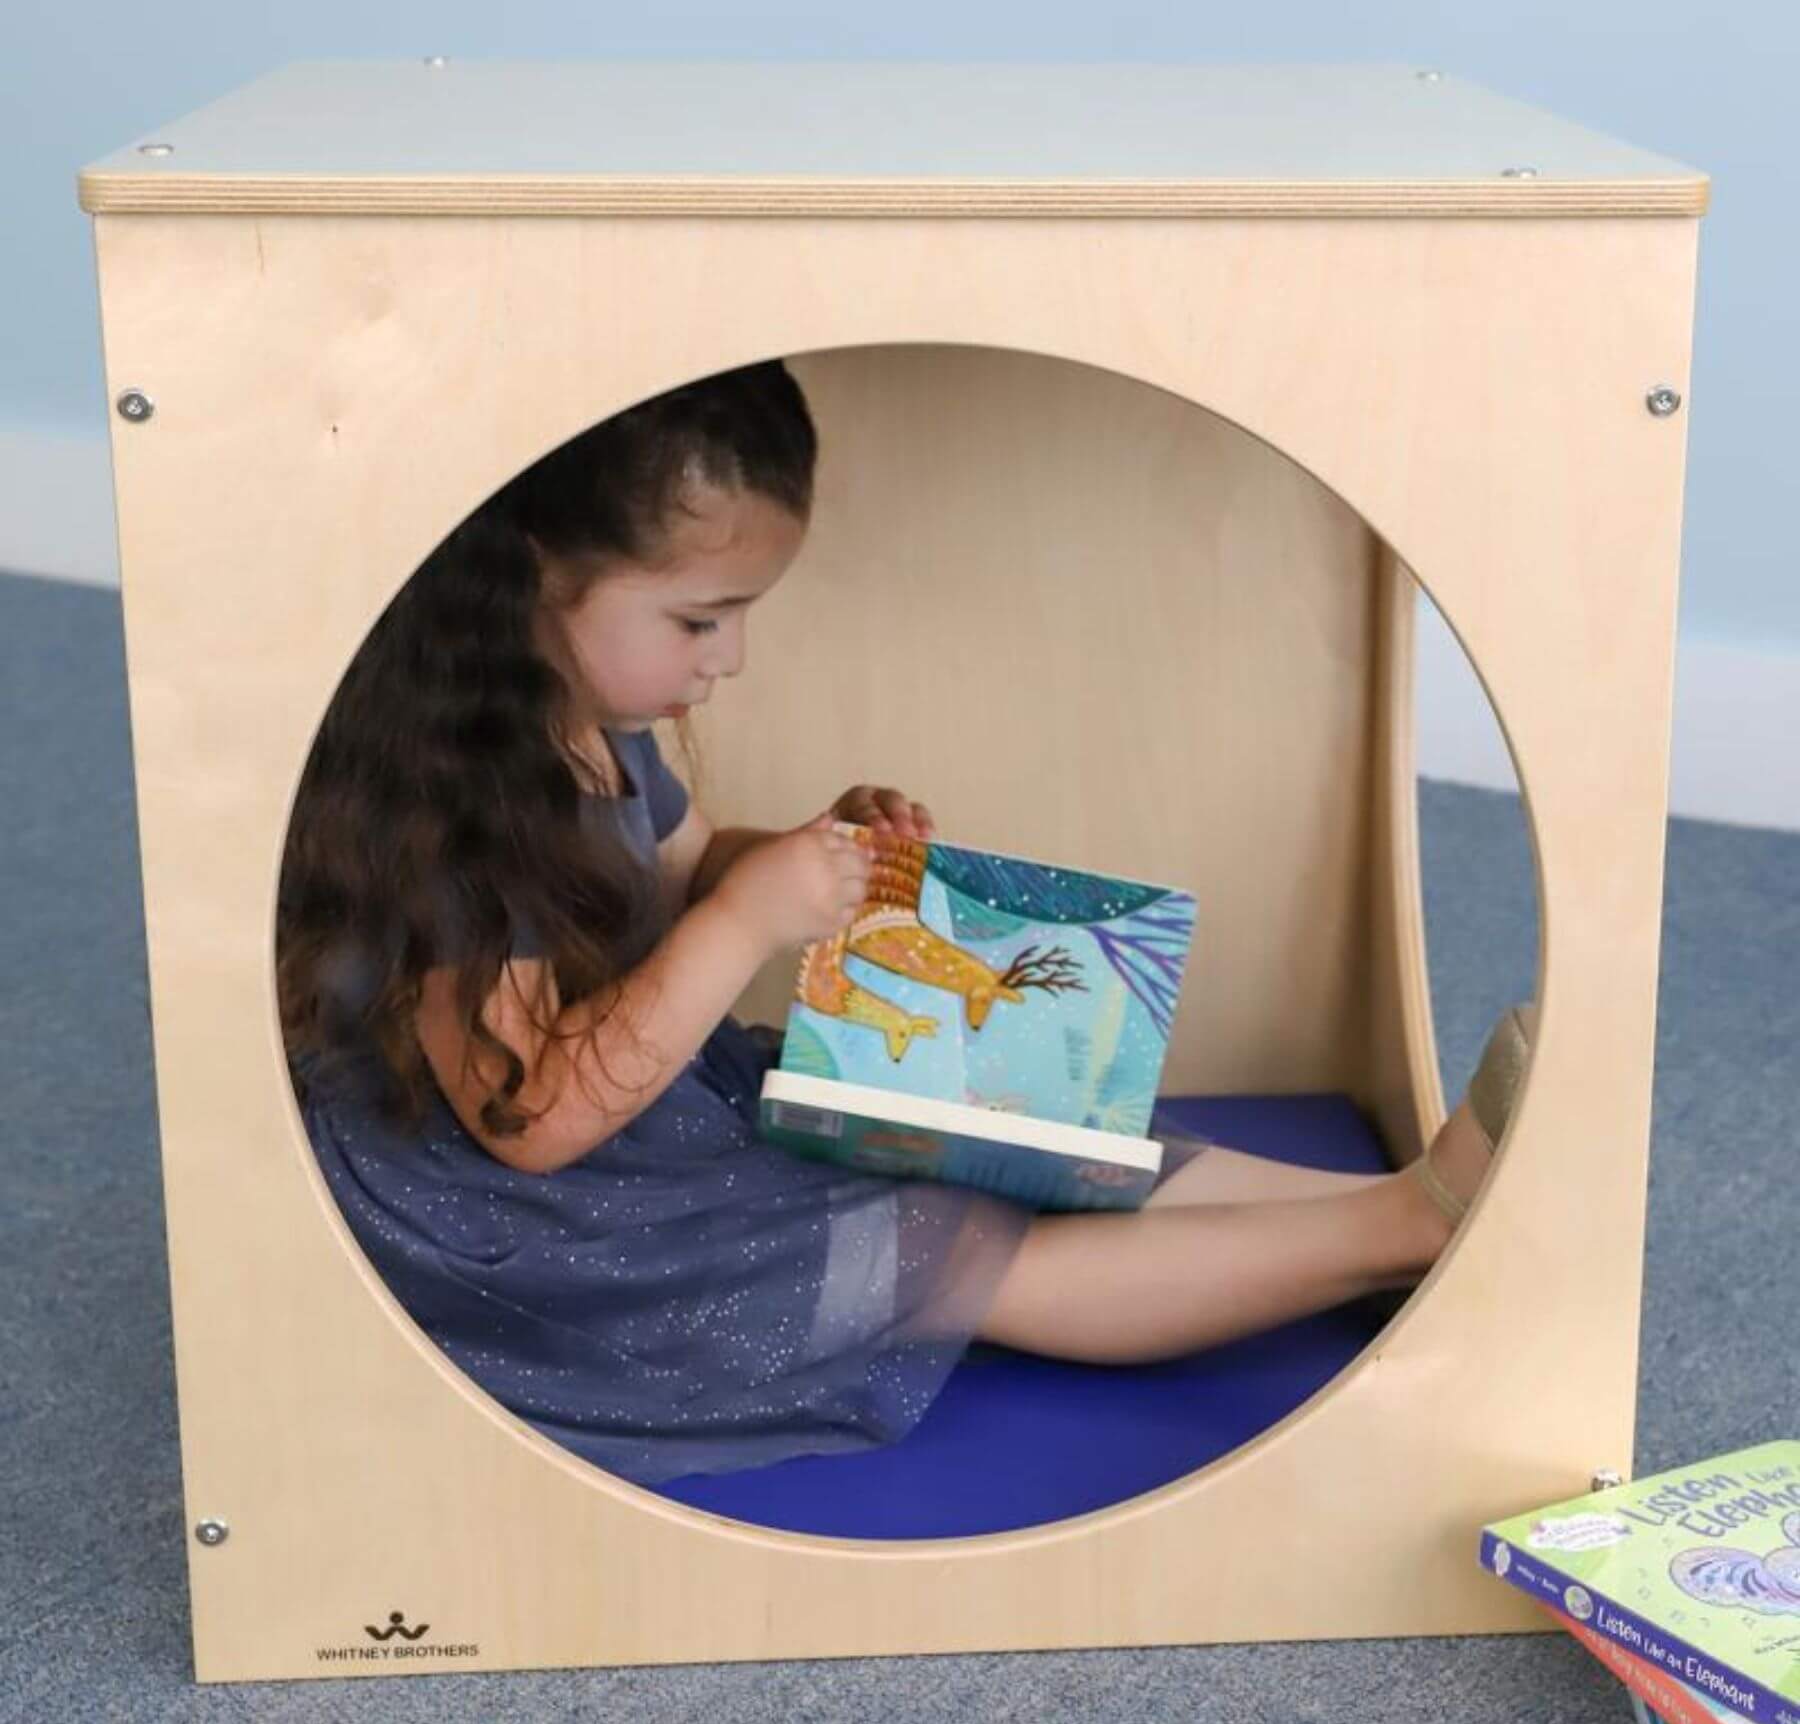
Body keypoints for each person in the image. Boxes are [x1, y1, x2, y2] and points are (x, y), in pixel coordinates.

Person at [279, 360, 1532, 1487]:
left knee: (992, 1124)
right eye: (699, 619)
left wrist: (805, 856)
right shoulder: (462, 803)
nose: (730, 662)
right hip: (523, 1233)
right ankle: (1408, 1233)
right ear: (540, 579)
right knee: (940, 1239)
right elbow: (532, 1122)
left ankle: (1398, 1195)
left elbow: (680, 868)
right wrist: (744, 920)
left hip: (643, 1114)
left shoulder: (593, 731)